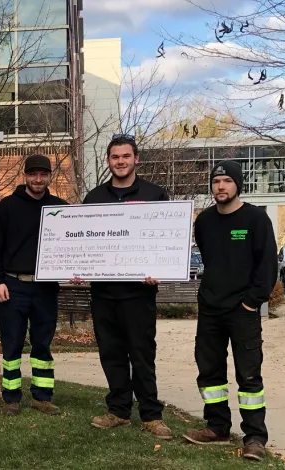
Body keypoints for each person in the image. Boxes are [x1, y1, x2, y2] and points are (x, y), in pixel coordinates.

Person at [76, 134, 173, 440]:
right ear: (108, 161)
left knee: (142, 355)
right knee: (111, 353)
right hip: (103, 293)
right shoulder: (94, 198)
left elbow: (166, 238)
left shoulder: (154, 195)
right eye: (115, 157)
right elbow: (83, 240)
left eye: (126, 156)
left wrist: (159, 268)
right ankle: (118, 411)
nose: (120, 161)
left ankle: (151, 415)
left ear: (136, 159)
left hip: (138, 294)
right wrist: (76, 266)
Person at [184, 160, 276, 462]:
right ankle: (217, 427)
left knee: (249, 376)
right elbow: (210, 260)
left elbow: (267, 266)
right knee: (209, 371)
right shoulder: (205, 221)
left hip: (243, 311)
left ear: (238, 185)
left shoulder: (256, 219)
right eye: (216, 181)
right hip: (211, 310)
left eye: (226, 181)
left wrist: (252, 302)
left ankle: (255, 438)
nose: (220, 186)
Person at [0, 154, 68, 415]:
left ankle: (42, 397)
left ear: (49, 177)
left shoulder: (61, 208)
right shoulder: (7, 206)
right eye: (33, 174)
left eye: (43, 174)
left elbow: (71, 245)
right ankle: (11, 399)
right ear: (25, 176)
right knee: (12, 344)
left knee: (42, 343)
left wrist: (76, 269)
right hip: (13, 286)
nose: (38, 179)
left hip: (46, 288)